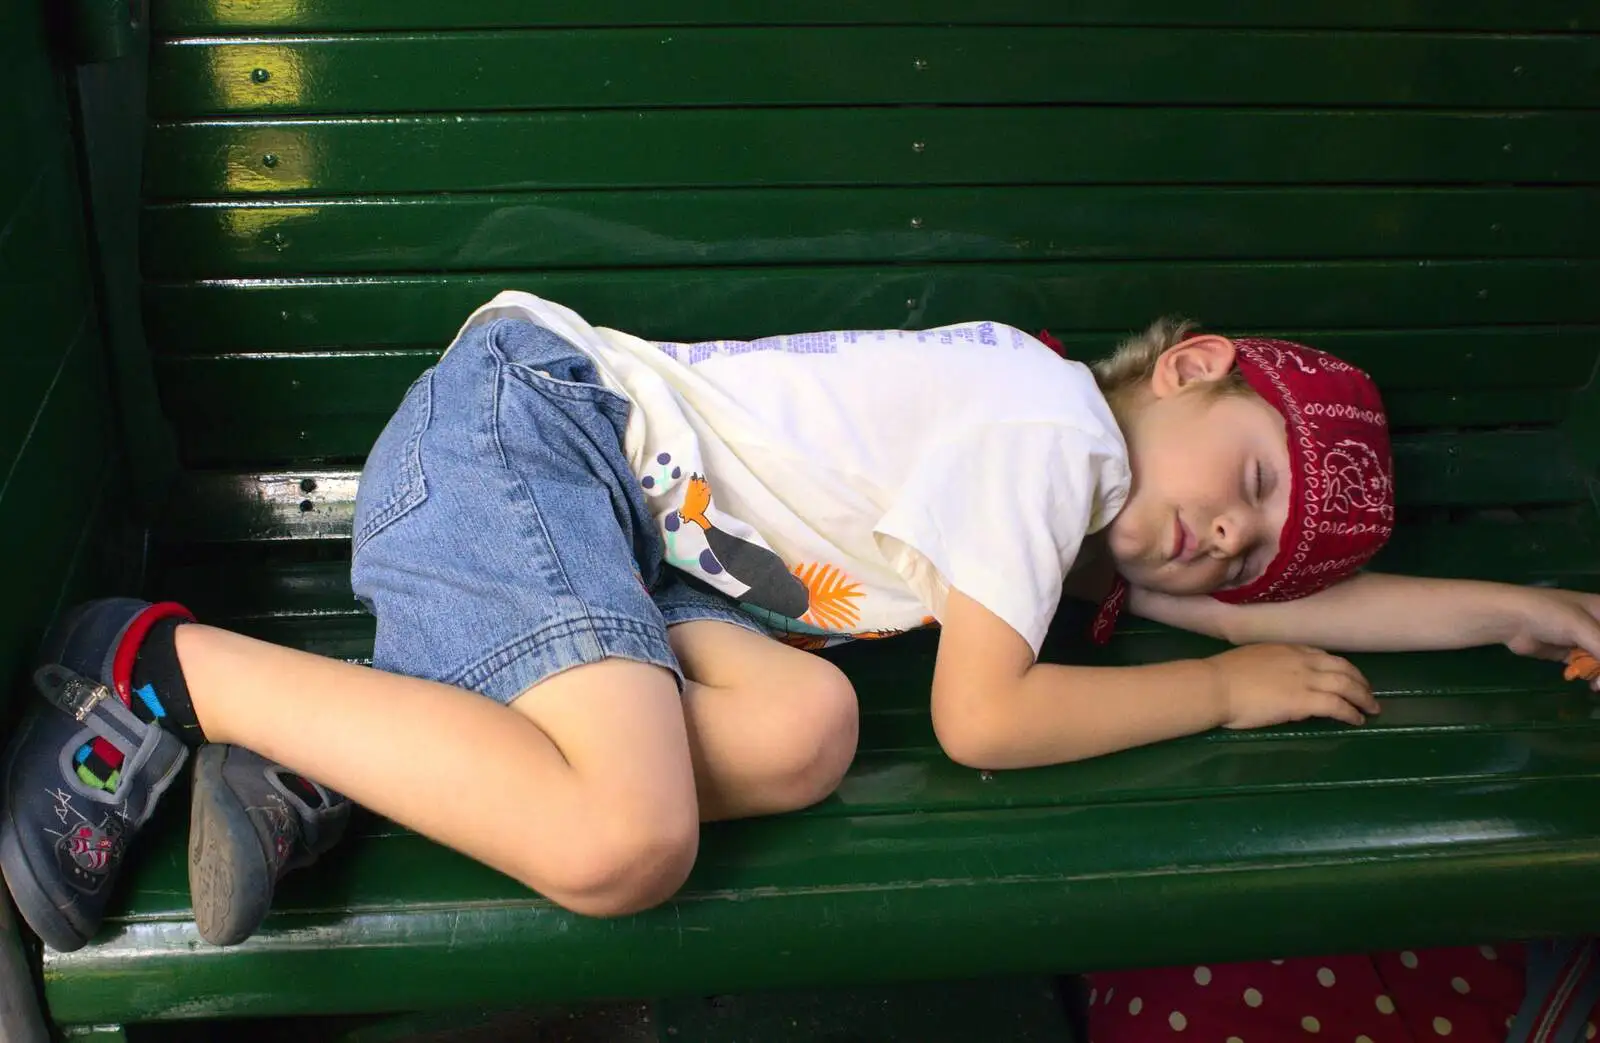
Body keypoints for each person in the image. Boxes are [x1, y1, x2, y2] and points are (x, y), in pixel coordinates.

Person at [4, 292, 1598, 953]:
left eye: (1248, 550)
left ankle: (326, 766)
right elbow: (982, 720)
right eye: (1248, 476)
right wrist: (1227, 690)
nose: (1228, 537)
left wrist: (1532, 609)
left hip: (637, 558)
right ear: (1191, 365)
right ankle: (150, 660)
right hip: (533, 431)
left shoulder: (1102, 500)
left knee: (808, 726)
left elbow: (1324, 592)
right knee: (627, 843)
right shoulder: (1050, 433)